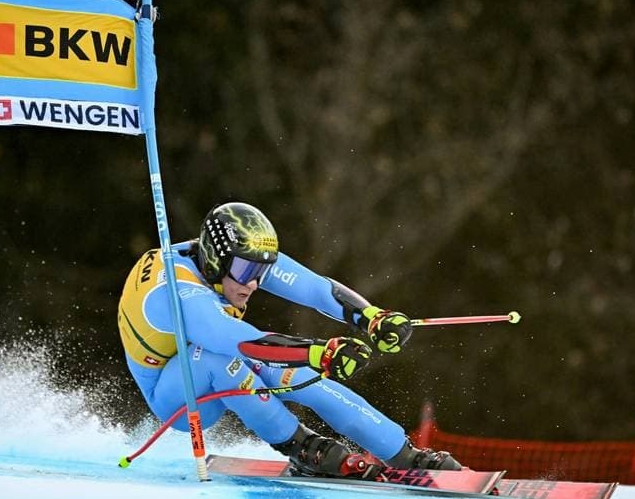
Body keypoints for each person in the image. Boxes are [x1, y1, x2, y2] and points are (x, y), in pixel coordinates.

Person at [118, 202, 461, 477]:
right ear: (214, 259)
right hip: (178, 401)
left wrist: (370, 317)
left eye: (260, 272)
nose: (253, 283)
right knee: (219, 358)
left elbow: (314, 288)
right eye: (246, 272)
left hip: (219, 360)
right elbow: (238, 340)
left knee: (296, 374)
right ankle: (300, 445)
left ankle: (402, 453)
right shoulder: (177, 291)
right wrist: (320, 352)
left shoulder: (235, 259)